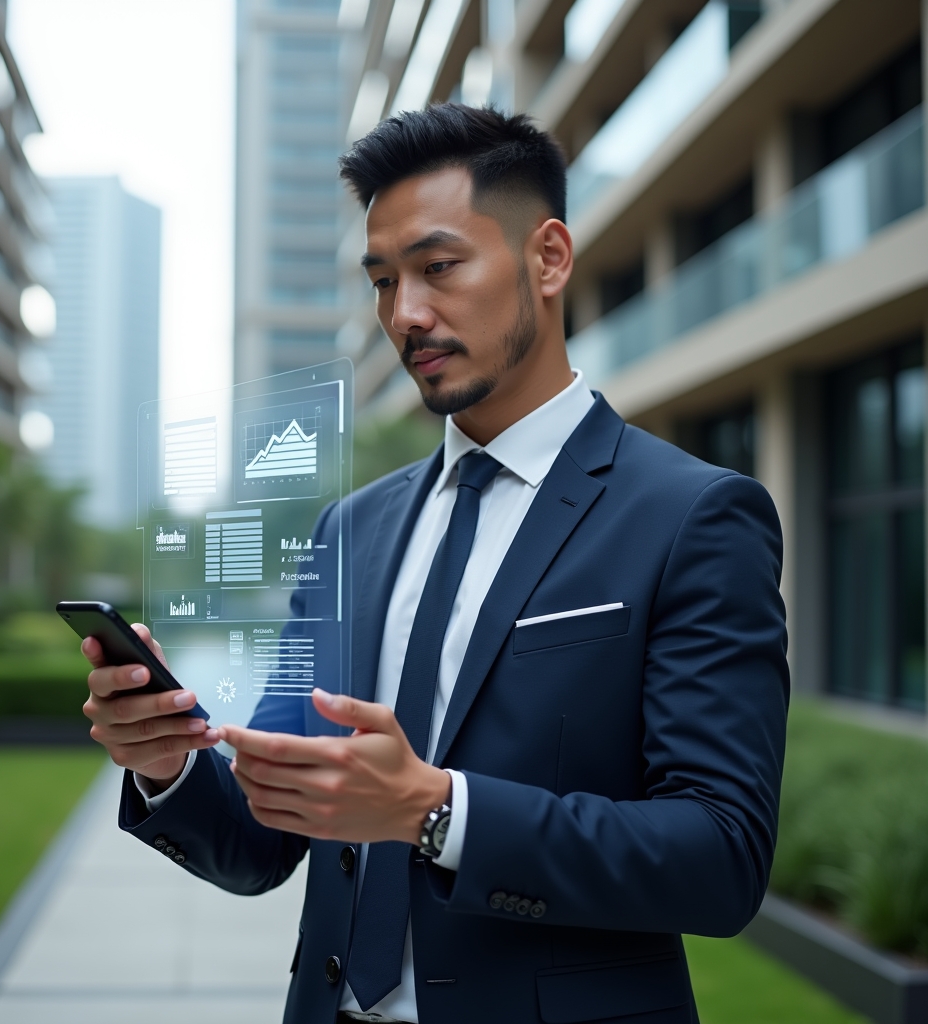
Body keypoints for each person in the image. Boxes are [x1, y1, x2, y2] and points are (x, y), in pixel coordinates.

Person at [81, 104, 788, 1024]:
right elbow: (261, 842)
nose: (405, 314)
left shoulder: (692, 515)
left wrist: (436, 809)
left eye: (438, 267)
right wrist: (169, 765)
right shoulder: (351, 531)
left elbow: (722, 858)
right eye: (382, 280)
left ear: (548, 258)